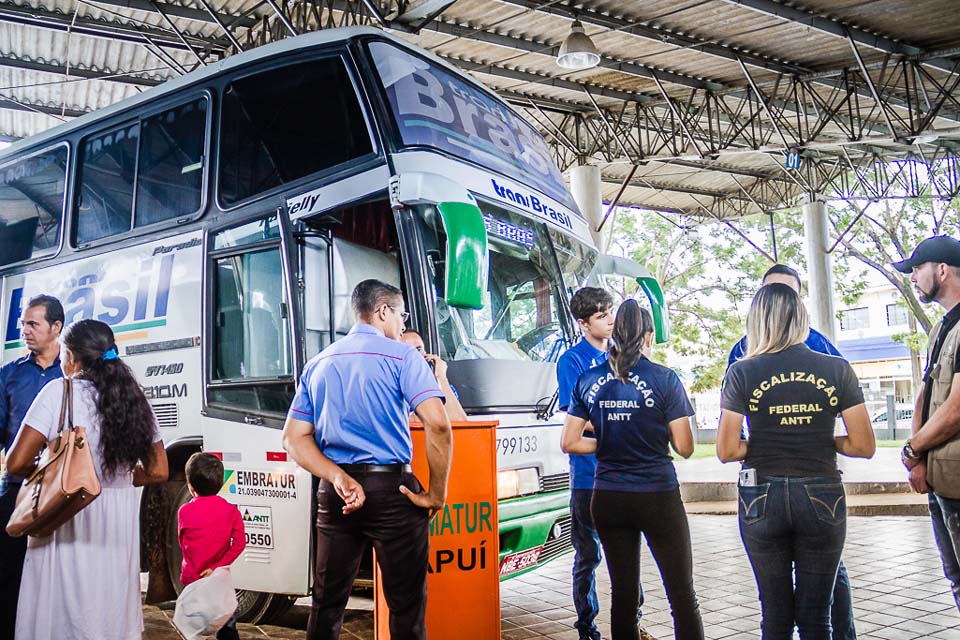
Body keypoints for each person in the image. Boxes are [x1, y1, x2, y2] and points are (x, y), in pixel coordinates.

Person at [282, 279, 453, 640]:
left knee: (327, 604)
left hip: (336, 493)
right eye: (401, 315)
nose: (402, 325)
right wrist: (436, 493)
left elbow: (294, 438)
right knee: (406, 608)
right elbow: (438, 424)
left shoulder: (319, 362)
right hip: (394, 491)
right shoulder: (403, 356)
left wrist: (338, 478)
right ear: (382, 311)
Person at [717, 283, 875, 639]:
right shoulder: (837, 370)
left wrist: (766, 439)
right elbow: (863, 444)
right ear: (802, 318)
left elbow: (727, 450)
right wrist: (817, 437)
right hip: (822, 494)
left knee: (774, 616)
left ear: (757, 322)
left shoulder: (741, 372)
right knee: (817, 618)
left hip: (761, 495)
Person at [6, 318, 169, 640]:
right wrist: (117, 479)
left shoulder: (59, 392)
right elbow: (158, 471)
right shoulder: (135, 400)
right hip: (115, 524)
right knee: (107, 614)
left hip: (66, 513)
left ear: (71, 357)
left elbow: (17, 461)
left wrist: (60, 474)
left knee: (60, 614)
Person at [562, 300, 703, 640]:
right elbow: (685, 447)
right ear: (648, 337)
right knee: (681, 595)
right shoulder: (664, 379)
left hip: (608, 498)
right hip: (657, 496)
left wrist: (610, 442)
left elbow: (570, 441)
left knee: (623, 595)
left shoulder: (588, 378)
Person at [558, 287, 651, 640]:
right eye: (600, 315)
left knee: (629, 557)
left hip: (625, 475)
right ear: (583, 324)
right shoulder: (572, 362)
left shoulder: (624, 357)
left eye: (611, 311)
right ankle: (587, 628)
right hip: (588, 478)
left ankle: (633, 623)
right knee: (588, 558)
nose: (610, 320)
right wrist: (625, 422)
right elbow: (578, 421)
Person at [893, 236, 960, 612]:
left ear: (942, 270)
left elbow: (956, 409)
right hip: (940, 480)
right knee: (955, 579)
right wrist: (917, 458)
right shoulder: (941, 329)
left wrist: (914, 448)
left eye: (917, 269)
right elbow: (926, 394)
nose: (914, 278)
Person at [0, 294, 64, 638]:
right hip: (17, 489)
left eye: (32, 324)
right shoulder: (8, 374)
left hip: (61, 490)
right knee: (8, 571)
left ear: (56, 327)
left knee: (55, 573)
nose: (24, 330)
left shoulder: (73, 375)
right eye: (23, 323)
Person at [178, 452, 246, 640]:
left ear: (191, 488)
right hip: (220, 582)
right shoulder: (231, 511)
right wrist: (217, 567)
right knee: (227, 627)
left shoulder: (184, 512)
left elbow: (183, 543)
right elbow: (240, 543)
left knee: (193, 631)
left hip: (194, 580)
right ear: (222, 482)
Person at [400, 330, 468, 422]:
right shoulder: (391, 388)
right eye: (408, 351)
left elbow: (458, 421)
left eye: (419, 349)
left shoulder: (440, 387)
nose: (416, 355)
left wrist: (441, 377)